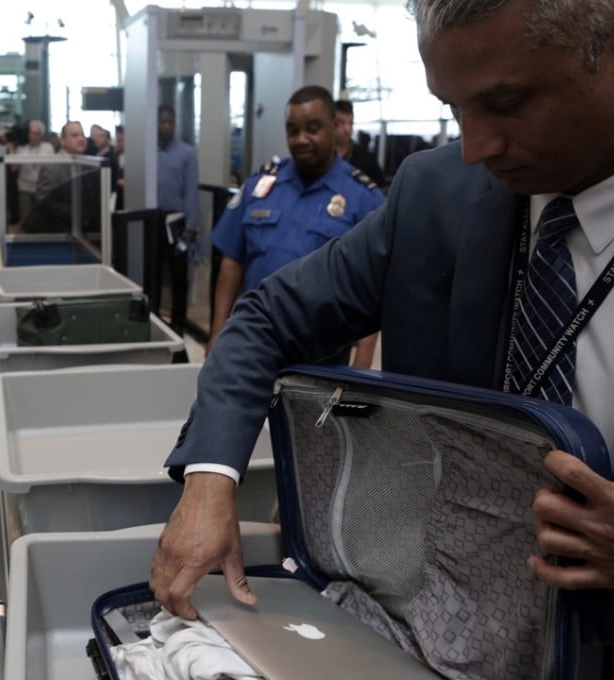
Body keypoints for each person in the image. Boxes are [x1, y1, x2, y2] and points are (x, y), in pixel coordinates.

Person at [151, 0, 614, 630]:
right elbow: (265, 321)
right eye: (453, 109)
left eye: (507, 104)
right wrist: (209, 479)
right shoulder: (436, 196)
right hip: (435, 616)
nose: (476, 147)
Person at [210, 86, 384, 364]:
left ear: (333, 126)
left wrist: (361, 364)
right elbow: (232, 262)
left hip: (322, 355)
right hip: (253, 344)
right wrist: (217, 332)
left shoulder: (363, 199)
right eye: (293, 130)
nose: (301, 139)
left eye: (313, 128)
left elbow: (372, 288)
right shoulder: (261, 186)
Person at [156, 104, 200, 336]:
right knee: (153, 272)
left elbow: (191, 191)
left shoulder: (187, 153)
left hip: (178, 223)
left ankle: (179, 324)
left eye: (170, 122)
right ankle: (153, 316)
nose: (166, 126)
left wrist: (192, 227)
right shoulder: (148, 152)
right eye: (162, 121)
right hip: (153, 221)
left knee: (178, 277)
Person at [333, 99, 388, 190]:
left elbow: (380, 191)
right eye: (341, 123)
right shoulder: (322, 157)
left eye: (350, 123)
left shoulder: (366, 159)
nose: (347, 129)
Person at [13, 120, 55, 223]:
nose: (33, 136)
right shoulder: (22, 148)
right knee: (26, 218)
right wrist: (12, 147)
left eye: (36, 133)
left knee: (42, 217)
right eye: (31, 133)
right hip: (25, 187)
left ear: (42, 135)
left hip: (42, 188)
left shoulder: (48, 148)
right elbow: (14, 168)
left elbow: (52, 168)